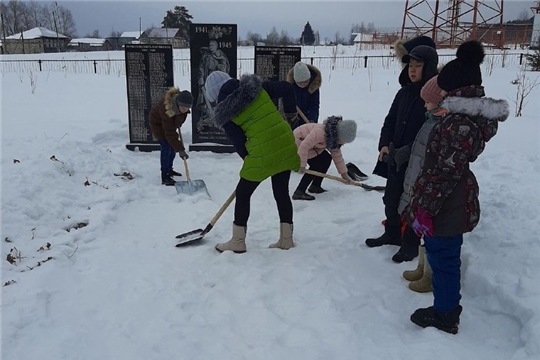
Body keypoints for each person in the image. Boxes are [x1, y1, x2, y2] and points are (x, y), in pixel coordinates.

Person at [404, 40, 509, 334]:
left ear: (455, 90)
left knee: (444, 258)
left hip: (446, 203)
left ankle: (446, 314)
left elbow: (443, 174)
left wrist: (425, 209)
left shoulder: (457, 125)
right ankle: (446, 307)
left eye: (446, 90)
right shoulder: (459, 120)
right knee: (444, 256)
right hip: (450, 200)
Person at [204, 70, 301, 253]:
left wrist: (252, 164)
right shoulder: (256, 87)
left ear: (215, 95)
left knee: (243, 193)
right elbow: (288, 88)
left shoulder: (226, 113)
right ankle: (286, 239)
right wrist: (291, 115)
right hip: (286, 141)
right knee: (281, 192)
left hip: (263, 150)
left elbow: (240, 144)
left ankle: (238, 241)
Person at [364, 43, 439, 264]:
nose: (412, 70)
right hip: (396, 157)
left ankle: (410, 243)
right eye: (410, 66)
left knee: (413, 203)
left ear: (429, 68)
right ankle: (392, 232)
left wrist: (410, 151)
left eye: (418, 66)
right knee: (391, 197)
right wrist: (385, 144)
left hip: (418, 163)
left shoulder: (433, 97)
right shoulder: (404, 92)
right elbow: (390, 120)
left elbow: (432, 131)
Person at [399, 75, 446, 293]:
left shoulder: (441, 124)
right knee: (422, 227)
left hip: (427, 184)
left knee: (430, 229)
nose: (424, 104)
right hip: (418, 182)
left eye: (427, 100)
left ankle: (429, 274)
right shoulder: (430, 120)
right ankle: (421, 266)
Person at [292, 116, 356, 200]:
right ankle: (299, 191)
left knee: (326, 159)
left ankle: (315, 185)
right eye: (343, 140)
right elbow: (304, 147)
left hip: (314, 146)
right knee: (316, 165)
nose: (343, 143)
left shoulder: (333, 137)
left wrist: (344, 174)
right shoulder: (320, 133)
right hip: (298, 141)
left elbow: (337, 155)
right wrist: (302, 165)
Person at [149, 88, 193, 186]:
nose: (185, 110)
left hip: (169, 126)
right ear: (177, 104)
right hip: (158, 124)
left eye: (187, 109)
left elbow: (177, 122)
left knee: (172, 148)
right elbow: (169, 133)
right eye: (183, 108)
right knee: (166, 148)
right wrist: (181, 150)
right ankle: (165, 176)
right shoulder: (167, 109)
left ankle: (169, 169)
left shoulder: (183, 109)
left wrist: (177, 125)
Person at [197, 40, 231, 131]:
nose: (210, 46)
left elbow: (225, 68)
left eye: (212, 45)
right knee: (206, 102)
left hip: (218, 84)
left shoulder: (221, 56)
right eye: (209, 45)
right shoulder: (205, 56)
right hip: (207, 83)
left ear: (216, 46)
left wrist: (221, 67)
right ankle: (207, 117)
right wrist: (201, 78)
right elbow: (201, 67)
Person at [286, 61, 322, 129]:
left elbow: (314, 106)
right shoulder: (291, 86)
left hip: (308, 117)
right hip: (295, 118)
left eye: (306, 81)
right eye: (300, 83)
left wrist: (312, 120)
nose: (304, 84)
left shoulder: (313, 85)